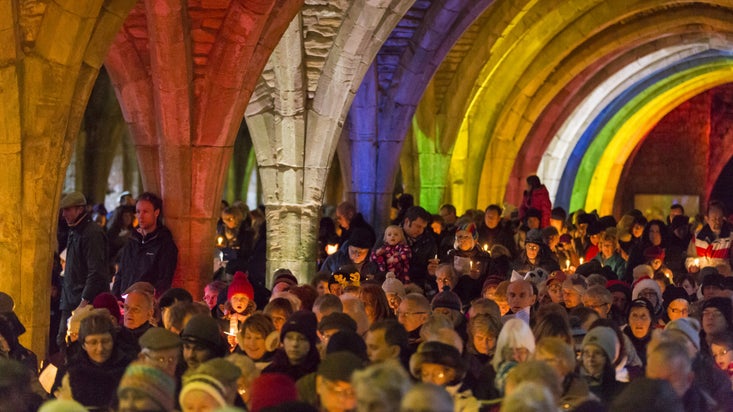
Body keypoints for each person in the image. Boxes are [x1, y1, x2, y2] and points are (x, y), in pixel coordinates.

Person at [57, 191, 109, 347]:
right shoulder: (75, 230)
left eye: (68, 210)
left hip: (81, 302)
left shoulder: (92, 233)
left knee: (75, 343)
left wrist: (83, 301)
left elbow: (96, 271)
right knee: (63, 341)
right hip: (71, 299)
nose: (64, 214)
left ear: (79, 210)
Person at [112, 192, 179, 298]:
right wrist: (115, 298)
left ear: (156, 213)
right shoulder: (132, 240)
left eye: (145, 212)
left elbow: (164, 280)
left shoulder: (164, 243)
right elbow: (120, 273)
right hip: (125, 301)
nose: (140, 216)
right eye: (138, 212)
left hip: (145, 304)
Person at [409, 341, 480, 411]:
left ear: (452, 374)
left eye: (437, 374)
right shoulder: (416, 398)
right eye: (425, 374)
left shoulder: (466, 402)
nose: (430, 380)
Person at [402, 206, 438, 291]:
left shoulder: (428, 242)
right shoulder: (391, 235)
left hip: (417, 287)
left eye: (423, 227)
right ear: (407, 221)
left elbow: (430, 273)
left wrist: (430, 272)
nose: (421, 231)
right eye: (418, 226)